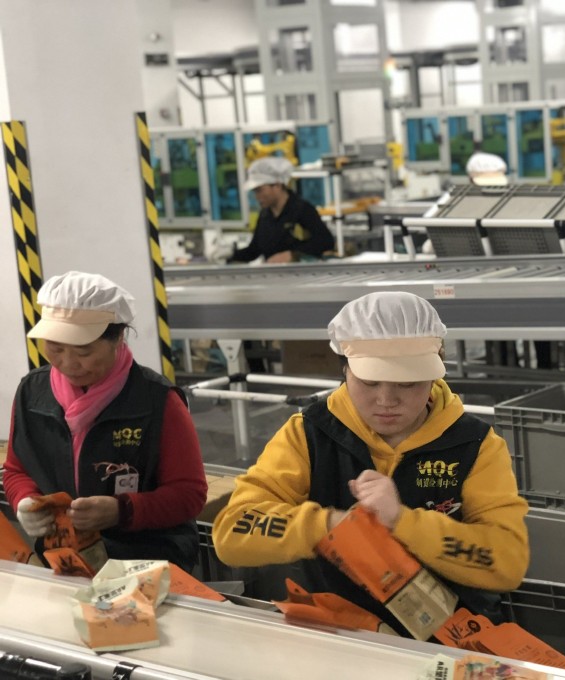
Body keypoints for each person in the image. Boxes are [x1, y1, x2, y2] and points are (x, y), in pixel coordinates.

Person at [212, 291, 529, 633]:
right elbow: (231, 532)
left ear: (436, 371)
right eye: (369, 381)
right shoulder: (309, 434)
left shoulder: (474, 445)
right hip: (347, 636)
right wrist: (330, 525)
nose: (386, 400)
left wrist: (404, 523)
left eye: (407, 383)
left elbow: (507, 563)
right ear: (345, 369)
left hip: (454, 641)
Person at [3, 271, 207, 571]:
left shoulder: (156, 401)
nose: (69, 364)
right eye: (55, 348)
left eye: (84, 351)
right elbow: (16, 470)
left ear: (118, 338)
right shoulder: (32, 394)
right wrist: (25, 502)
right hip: (66, 561)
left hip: (148, 564)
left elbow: (189, 494)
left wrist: (122, 510)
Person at [228, 156, 335, 264]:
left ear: (277, 185)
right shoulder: (265, 215)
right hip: (274, 277)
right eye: (255, 192)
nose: (257, 196)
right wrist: (230, 254)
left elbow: (325, 241)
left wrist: (293, 254)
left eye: (259, 190)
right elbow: (254, 250)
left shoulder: (302, 210)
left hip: (301, 277)